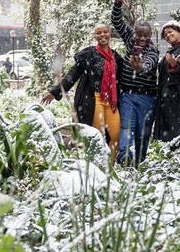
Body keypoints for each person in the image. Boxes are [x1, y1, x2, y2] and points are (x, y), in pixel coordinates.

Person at [41, 24, 124, 156]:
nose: (102, 35)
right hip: (93, 100)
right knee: (96, 136)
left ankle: (109, 168)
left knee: (116, 135)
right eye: (99, 33)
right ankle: (95, 167)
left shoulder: (116, 57)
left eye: (105, 32)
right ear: (95, 36)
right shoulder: (88, 55)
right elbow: (72, 75)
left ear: (110, 34)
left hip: (111, 102)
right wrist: (54, 92)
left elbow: (123, 79)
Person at [111, 0, 159, 166]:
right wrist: (117, 4)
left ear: (150, 35)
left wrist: (138, 68)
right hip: (128, 96)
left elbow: (147, 65)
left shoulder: (153, 51)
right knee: (127, 128)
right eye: (139, 35)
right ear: (135, 33)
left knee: (143, 134)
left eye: (146, 35)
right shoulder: (130, 40)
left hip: (147, 98)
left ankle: (139, 163)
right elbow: (116, 21)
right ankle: (124, 158)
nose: (142, 39)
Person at [154, 20, 180, 142]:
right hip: (168, 97)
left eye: (170, 32)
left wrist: (175, 64)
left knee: (179, 130)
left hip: (179, 97)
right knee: (170, 131)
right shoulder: (171, 51)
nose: (168, 35)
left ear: (179, 32)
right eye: (165, 34)